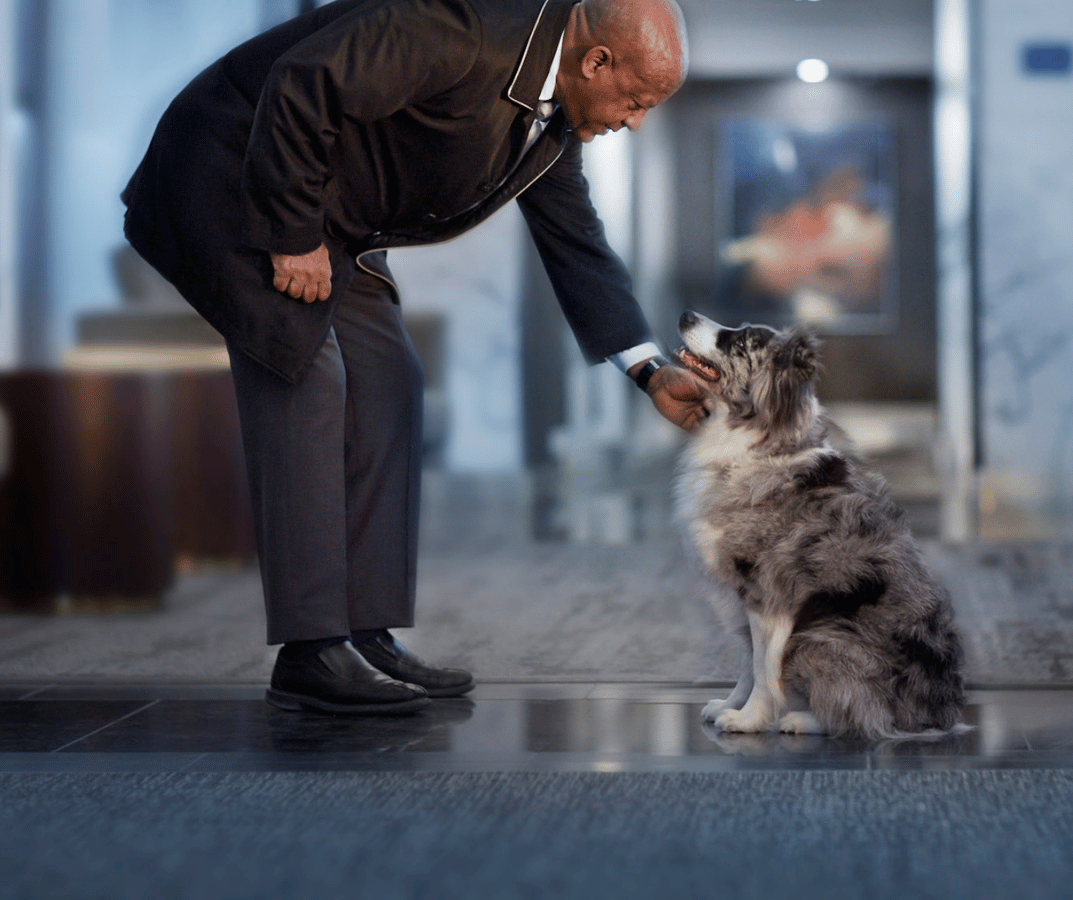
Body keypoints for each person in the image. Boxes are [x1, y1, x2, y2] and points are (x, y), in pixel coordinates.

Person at [121, 0, 708, 716]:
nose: (634, 119)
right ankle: (311, 650)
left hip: (329, 213)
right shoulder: (462, 26)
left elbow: (576, 241)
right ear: (596, 61)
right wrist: (289, 233)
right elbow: (304, 79)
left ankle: (364, 635)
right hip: (233, 172)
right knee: (307, 369)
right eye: (637, 100)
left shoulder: (550, 123)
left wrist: (648, 370)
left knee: (390, 380)